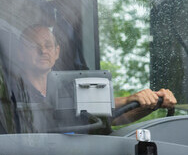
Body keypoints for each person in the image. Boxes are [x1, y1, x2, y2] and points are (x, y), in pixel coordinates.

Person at [13, 24, 177, 131]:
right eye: (34, 46)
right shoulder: (13, 91)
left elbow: (112, 117)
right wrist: (129, 99)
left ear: (57, 52)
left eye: (48, 45)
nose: (43, 51)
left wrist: (152, 103)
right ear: (20, 53)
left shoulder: (69, 89)